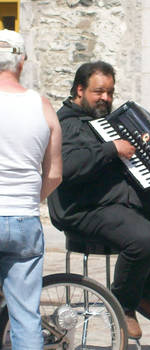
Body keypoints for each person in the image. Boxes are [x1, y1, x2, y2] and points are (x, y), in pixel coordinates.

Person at [48, 61, 150, 340]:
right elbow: (69, 169)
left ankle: (144, 292)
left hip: (119, 205)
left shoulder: (106, 122)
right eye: (98, 92)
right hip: (83, 209)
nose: (105, 99)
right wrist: (110, 149)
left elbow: (129, 162)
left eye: (109, 92)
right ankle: (123, 304)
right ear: (80, 90)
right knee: (146, 240)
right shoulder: (67, 124)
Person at [0, 29, 62, 350]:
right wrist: (29, 201)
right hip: (24, 219)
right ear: (21, 62)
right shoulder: (43, 107)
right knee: (26, 317)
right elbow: (54, 174)